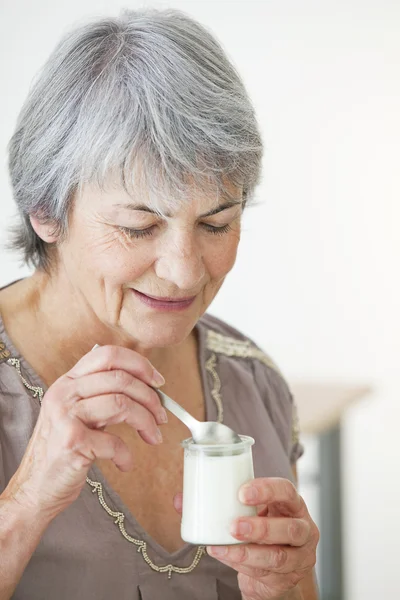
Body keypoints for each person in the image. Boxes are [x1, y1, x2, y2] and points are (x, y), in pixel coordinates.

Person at [0, 8, 319, 600]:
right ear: (45, 211)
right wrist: (26, 500)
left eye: (217, 223)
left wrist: (288, 583)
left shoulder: (252, 384)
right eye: (140, 227)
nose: (184, 271)